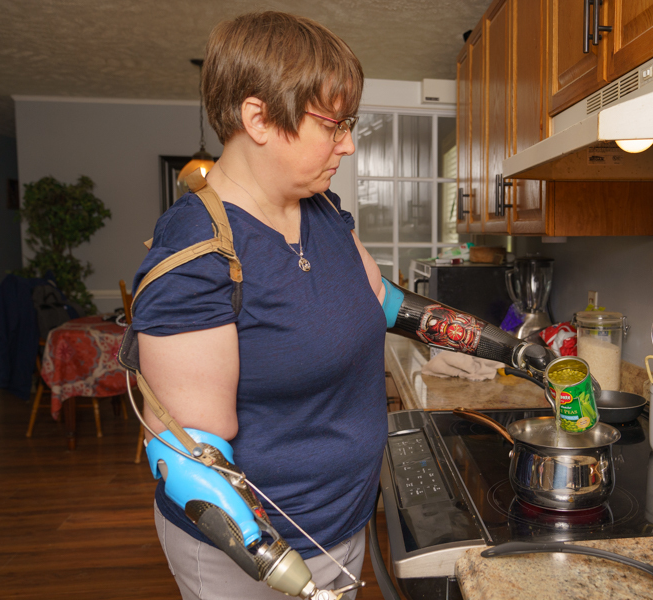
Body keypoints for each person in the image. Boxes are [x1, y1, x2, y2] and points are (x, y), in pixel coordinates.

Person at [130, 11, 554, 600]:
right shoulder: (197, 255)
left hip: (344, 523)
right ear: (258, 118)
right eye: (334, 125)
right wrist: (293, 581)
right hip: (260, 558)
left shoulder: (323, 211)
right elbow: (189, 457)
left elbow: (385, 304)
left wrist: (516, 350)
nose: (349, 145)